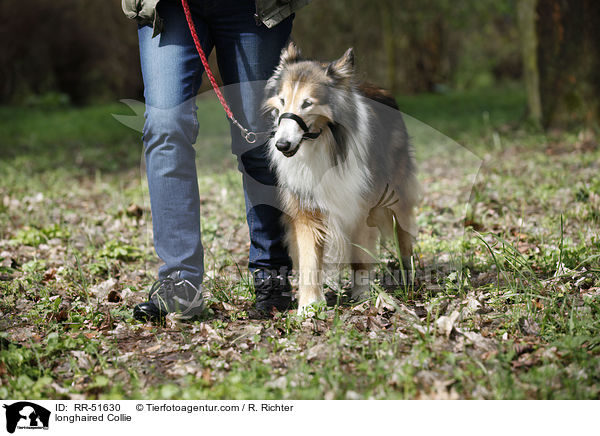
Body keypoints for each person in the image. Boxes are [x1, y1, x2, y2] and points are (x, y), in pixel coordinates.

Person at [121, 0, 311, 321]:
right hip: (170, 7)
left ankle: (272, 275)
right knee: (165, 125)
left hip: (252, 7)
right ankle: (180, 283)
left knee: (261, 134)